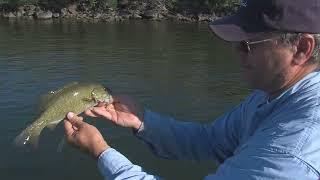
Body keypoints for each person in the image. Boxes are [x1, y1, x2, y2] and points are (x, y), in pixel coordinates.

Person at [64, 0, 320, 179]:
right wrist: (141, 121)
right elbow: (209, 140)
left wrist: (101, 153)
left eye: (247, 44)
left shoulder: (294, 151)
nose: (236, 51)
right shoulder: (270, 95)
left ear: (301, 49)